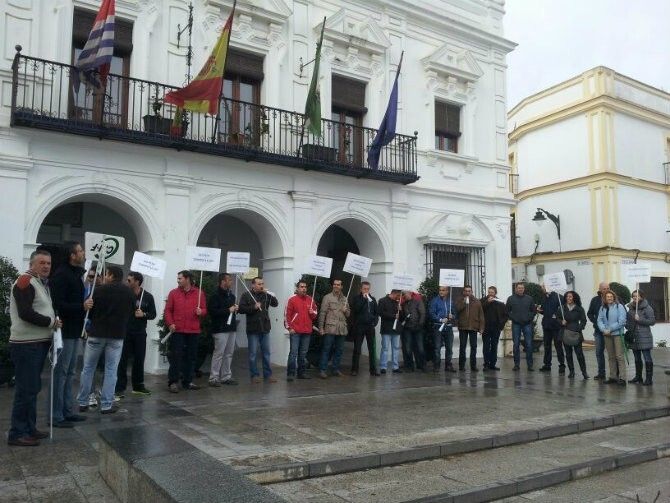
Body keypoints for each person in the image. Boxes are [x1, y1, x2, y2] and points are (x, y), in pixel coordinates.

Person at [7, 250, 61, 446]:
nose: (46, 266)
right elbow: (25, 313)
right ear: (32, 263)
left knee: (32, 388)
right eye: (42, 262)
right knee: (26, 389)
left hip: (36, 344)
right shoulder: (25, 281)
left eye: (48, 263)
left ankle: (29, 428)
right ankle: (17, 433)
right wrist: (50, 322)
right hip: (26, 345)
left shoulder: (38, 282)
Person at [76, 265, 135, 414]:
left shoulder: (98, 290)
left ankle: (83, 401)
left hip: (96, 332)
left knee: (88, 368)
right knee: (111, 370)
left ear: (111, 275)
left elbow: (91, 311)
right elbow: (130, 312)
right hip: (117, 335)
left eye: (106, 274)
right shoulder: (128, 292)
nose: (104, 277)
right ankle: (107, 404)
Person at [49, 241, 87, 428]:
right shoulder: (61, 275)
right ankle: (56, 415)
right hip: (64, 330)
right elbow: (58, 304)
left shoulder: (76, 274)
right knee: (61, 373)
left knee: (71, 372)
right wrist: (82, 306)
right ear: (72, 255)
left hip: (75, 330)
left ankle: (67, 410)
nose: (83, 253)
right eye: (80, 251)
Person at [164, 270, 207, 393]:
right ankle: (173, 381)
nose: (178, 281)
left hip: (193, 330)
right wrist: (170, 323)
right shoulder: (173, 293)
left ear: (187, 279)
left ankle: (187, 381)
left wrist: (201, 312)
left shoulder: (199, 293)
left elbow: (204, 309)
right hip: (177, 330)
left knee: (191, 357)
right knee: (176, 356)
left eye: (180, 278)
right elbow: (168, 310)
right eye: (178, 279)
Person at [115, 272, 156, 396]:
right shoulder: (124, 294)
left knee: (139, 359)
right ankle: (119, 387)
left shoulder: (148, 296)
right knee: (122, 360)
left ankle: (138, 386)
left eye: (129, 280)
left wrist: (143, 314)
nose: (126, 282)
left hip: (140, 333)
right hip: (125, 331)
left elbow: (153, 314)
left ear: (137, 282)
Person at [238, 277, 279, 383]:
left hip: (265, 328)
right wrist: (253, 307)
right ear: (253, 285)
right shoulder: (246, 295)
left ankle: (268, 375)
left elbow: (275, 304)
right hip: (253, 329)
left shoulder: (266, 295)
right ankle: (254, 375)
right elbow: (241, 309)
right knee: (253, 354)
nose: (261, 286)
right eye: (259, 284)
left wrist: (269, 293)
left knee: (266, 353)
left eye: (262, 284)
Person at [208, 273, 239, 386]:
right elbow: (213, 312)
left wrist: (235, 309)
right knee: (219, 353)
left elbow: (231, 311)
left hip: (231, 327)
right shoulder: (215, 296)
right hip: (220, 328)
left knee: (229, 353)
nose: (231, 282)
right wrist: (228, 310)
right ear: (222, 282)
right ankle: (213, 377)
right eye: (229, 280)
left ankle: (226, 376)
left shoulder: (231, 296)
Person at [284, 280, 317, 381]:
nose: (304, 289)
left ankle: (301, 373)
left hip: (307, 331)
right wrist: (289, 328)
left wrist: (312, 312)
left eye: (305, 287)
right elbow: (287, 315)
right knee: (293, 353)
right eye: (302, 287)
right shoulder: (292, 299)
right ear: (297, 288)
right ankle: (290, 374)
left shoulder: (310, 300)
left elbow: (315, 315)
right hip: (295, 331)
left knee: (303, 353)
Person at [317, 279, 350, 378]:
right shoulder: (327, 297)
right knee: (327, 349)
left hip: (341, 328)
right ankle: (322, 370)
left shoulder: (345, 298)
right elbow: (322, 313)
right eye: (335, 284)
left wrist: (345, 310)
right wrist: (321, 327)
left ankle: (335, 369)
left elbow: (348, 314)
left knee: (339, 350)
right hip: (330, 328)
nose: (336, 286)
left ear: (341, 286)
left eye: (338, 285)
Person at [597, 290, 627, 386]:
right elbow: (599, 320)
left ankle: (622, 378)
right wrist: (603, 329)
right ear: (604, 298)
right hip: (607, 334)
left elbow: (622, 321)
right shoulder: (602, 308)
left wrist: (610, 329)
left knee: (619, 356)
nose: (609, 298)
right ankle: (613, 376)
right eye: (607, 297)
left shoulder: (619, 307)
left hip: (617, 334)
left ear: (614, 297)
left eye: (611, 296)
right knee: (611, 357)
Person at [556, 291, 589, 380]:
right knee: (568, 354)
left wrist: (579, 328)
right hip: (565, 332)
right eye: (567, 297)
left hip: (576, 333)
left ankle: (584, 372)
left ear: (574, 297)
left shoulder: (579, 308)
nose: (568, 298)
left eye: (570, 297)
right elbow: (557, 318)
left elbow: (583, 320)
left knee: (579, 354)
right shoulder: (561, 308)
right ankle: (571, 371)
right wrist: (561, 322)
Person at [350, 281, 380, 377]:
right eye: (364, 289)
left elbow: (376, 312)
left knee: (372, 349)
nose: (366, 290)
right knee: (357, 349)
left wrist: (374, 322)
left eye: (368, 289)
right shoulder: (356, 299)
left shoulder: (373, 299)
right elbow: (356, 309)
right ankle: (354, 369)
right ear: (361, 289)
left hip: (370, 327)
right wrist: (363, 299)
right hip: (359, 326)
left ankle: (373, 370)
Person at [626, 290, 655, 386]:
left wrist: (640, 319)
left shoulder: (647, 308)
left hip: (644, 336)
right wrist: (628, 326)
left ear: (641, 297)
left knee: (647, 358)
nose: (635, 298)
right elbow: (628, 320)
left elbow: (652, 321)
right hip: (634, 336)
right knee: (637, 358)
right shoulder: (630, 308)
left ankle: (649, 379)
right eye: (633, 296)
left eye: (637, 296)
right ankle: (638, 377)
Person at [506, 283, 536, 371]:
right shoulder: (511, 299)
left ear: (524, 289)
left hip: (527, 324)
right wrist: (513, 318)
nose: (520, 289)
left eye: (522, 288)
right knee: (516, 345)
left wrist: (529, 318)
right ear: (516, 289)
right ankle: (516, 365)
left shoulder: (529, 298)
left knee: (529, 345)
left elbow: (533, 311)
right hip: (516, 324)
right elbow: (507, 311)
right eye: (519, 288)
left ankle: (530, 365)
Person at [455, 285, 485, 372]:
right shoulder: (460, 300)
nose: (467, 292)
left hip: (473, 326)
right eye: (466, 291)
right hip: (463, 327)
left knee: (474, 347)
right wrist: (463, 302)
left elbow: (481, 315)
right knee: (462, 347)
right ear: (463, 292)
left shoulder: (477, 301)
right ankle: (461, 365)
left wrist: (481, 327)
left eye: (469, 291)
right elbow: (457, 310)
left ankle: (473, 365)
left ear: (472, 292)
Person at [537, 285, 566, 374]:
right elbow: (545, 311)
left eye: (544, 287)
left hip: (556, 326)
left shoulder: (558, 297)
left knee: (558, 346)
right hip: (546, 326)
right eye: (542, 287)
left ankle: (562, 365)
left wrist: (557, 316)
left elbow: (563, 309)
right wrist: (540, 310)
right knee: (547, 346)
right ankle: (547, 365)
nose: (543, 289)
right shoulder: (544, 298)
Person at [429, 286, 457, 373]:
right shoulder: (434, 301)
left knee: (449, 347)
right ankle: (436, 365)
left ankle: (448, 365)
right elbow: (431, 313)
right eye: (440, 290)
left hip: (448, 326)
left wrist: (452, 316)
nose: (441, 292)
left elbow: (455, 313)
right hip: (438, 326)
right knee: (437, 347)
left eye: (443, 290)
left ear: (447, 291)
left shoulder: (450, 301)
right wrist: (440, 319)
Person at [480, 286, 507, 371]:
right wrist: (487, 302)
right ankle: (486, 364)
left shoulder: (500, 302)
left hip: (496, 328)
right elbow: (480, 310)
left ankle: (493, 364)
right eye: (489, 292)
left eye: (492, 292)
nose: (490, 294)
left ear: (495, 293)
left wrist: (501, 325)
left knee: (494, 346)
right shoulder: (483, 300)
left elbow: (505, 315)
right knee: (486, 346)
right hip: (486, 327)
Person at [587, 282, 609, 380]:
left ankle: (616, 374)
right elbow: (590, 313)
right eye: (604, 288)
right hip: (598, 331)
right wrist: (595, 322)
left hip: (611, 331)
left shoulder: (613, 299)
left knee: (613, 354)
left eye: (608, 288)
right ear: (600, 289)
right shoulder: (595, 300)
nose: (606, 290)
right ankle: (601, 373)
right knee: (599, 352)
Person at [377, 290, 403, 374]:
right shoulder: (382, 300)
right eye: (398, 295)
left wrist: (401, 310)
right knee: (385, 348)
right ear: (394, 293)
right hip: (386, 328)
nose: (399, 297)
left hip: (396, 329)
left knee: (396, 348)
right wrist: (392, 316)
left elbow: (400, 317)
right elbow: (380, 313)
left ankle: (395, 367)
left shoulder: (398, 303)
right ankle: (383, 367)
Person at [401, 290, 426, 372]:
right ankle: (409, 366)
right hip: (407, 328)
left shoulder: (418, 301)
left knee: (420, 348)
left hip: (417, 328)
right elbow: (402, 318)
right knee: (408, 348)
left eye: (405, 294)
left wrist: (420, 324)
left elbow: (422, 313)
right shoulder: (403, 304)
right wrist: (400, 311)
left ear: (410, 294)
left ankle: (422, 365)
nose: (404, 296)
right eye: (403, 294)